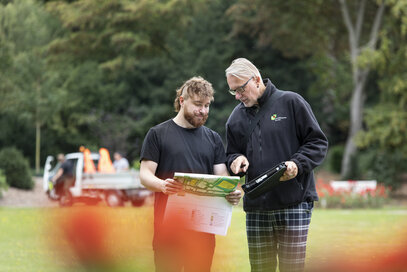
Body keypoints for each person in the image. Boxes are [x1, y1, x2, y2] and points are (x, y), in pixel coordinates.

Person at [224, 58, 328, 272]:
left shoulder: (291, 102)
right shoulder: (235, 117)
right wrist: (235, 160)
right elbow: (230, 154)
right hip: (256, 207)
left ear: (256, 79)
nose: (237, 96)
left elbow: (317, 142)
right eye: (232, 91)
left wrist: (296, 164)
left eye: (240, 89)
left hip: (294, 202)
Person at [139, 76, 242, 272]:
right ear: (181, 101)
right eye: (197, 104)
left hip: (203, 235)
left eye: (206, 105)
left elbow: (223, 178)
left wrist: (232, 192)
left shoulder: (213, 139)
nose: (203, 111)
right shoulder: (157, 134)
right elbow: (145, 175)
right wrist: (162, 185)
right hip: (168, 233)